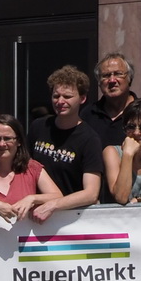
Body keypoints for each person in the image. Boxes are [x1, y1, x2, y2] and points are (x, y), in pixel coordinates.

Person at [28, 66, 115, 219]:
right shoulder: (38, 126)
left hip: (72, 220)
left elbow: (91, 193)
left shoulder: (90, 139)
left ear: (82, 98)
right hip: (34, 217)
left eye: (67, 96)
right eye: (56, 96)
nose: (60, 101)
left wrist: (53, 205)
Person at [87, 53, 139, 146]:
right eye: (106, 75)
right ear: (99, 82)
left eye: (118, 74)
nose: (112, 80)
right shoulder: (88, 114)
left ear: (129, 78)